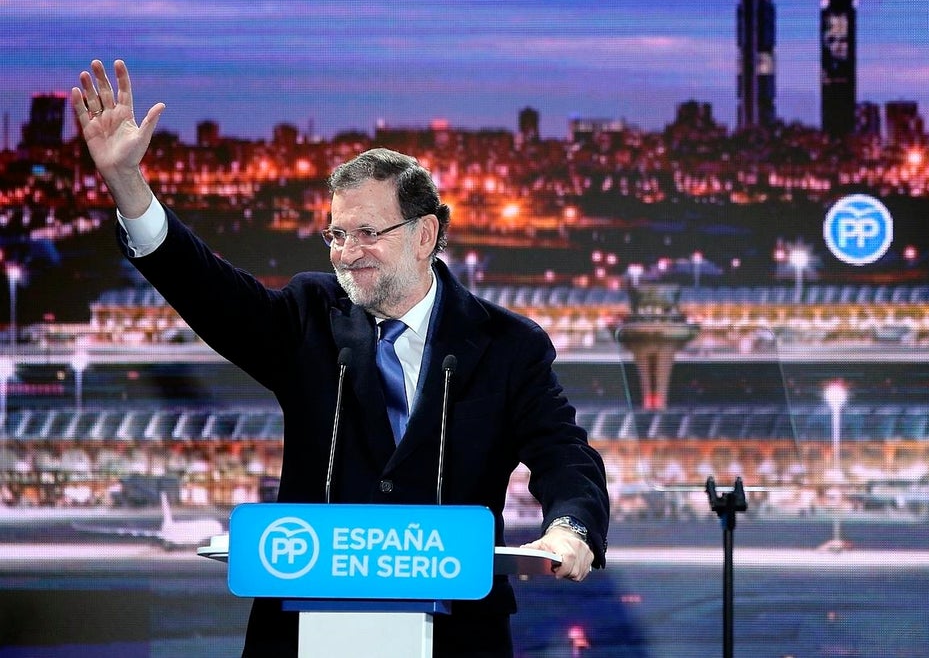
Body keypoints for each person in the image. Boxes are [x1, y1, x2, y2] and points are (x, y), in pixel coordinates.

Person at [71, 59, 610, 657]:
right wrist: (127, 184)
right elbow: (210, 291)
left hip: (454, 635)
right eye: (336, 235)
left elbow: (565, 454)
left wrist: (570, 527)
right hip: (305, 628)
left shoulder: (508, 346)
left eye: (367, 234)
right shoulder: (309, 315)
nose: (348, 253)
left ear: (425, 235)